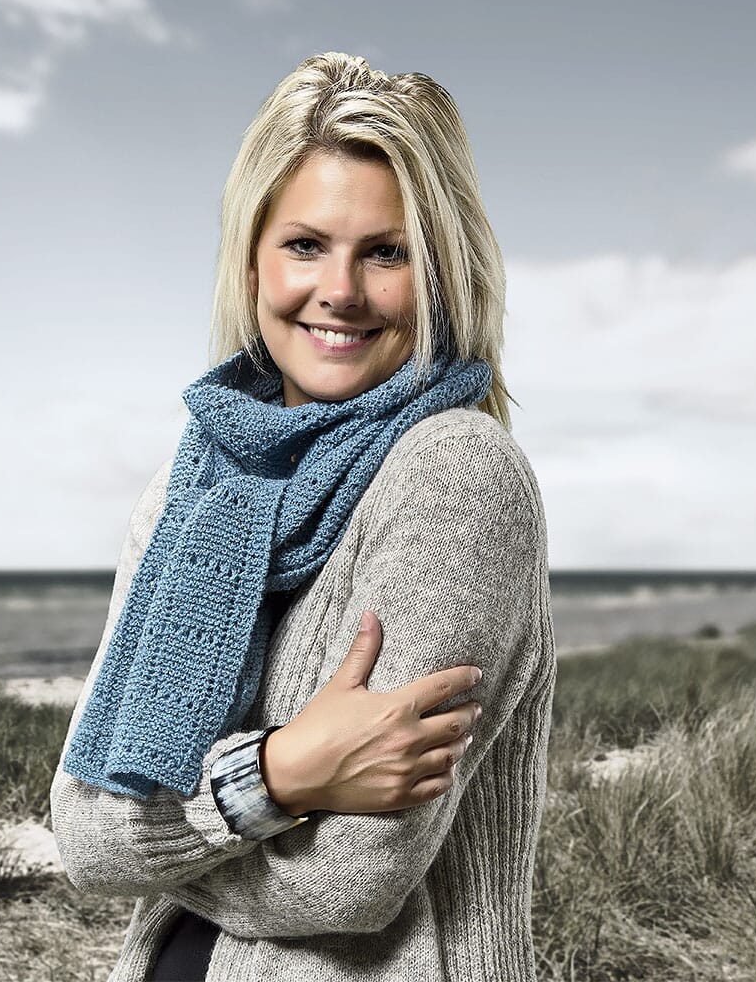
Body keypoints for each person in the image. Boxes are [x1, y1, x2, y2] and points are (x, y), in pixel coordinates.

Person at [50, 52, 554, 982]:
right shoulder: (192, 488)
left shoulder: (455, 473)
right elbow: (83, 835)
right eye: (305, 245)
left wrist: (169, 836)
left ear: (442, 275)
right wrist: (281, 774)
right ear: (252, 261)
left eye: (387, 252)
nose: (342, 291)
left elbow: (351, 881)